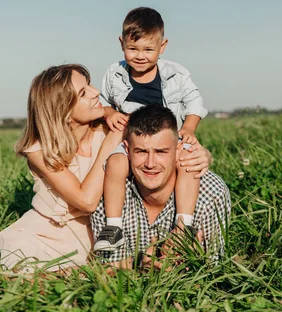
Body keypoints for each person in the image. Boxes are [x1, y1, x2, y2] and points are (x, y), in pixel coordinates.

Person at [94, 7, 209, 251]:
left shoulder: (176, 74)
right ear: (121, 42)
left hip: (169, 139)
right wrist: (110, 113)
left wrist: (188, 128)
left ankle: (183, 225)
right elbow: (103, 101)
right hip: (133, 142)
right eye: (132, 48)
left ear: (163, 46)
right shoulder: (114, 74)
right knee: (114, 164)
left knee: (188, 163)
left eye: (148, 49)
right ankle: (113, 227)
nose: (140, 56)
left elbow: (195, 103)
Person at [0, 64, 123, 272]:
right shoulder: (40, 151)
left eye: (89, 84)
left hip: (97, 232)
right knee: (33, 285)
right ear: (64, 111)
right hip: (46, 236)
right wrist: (111, 145)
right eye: (83, 93)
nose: (96, 92)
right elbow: (86, 201)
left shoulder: (107, 129)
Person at [91, 105, 231, 267]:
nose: (150, 164)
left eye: (161, 152)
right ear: (127, 150)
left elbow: (216, 270)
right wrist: (147, 275)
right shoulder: (108, 191)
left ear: (178, 150)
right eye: (141, 151)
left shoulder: (210, 193)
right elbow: (111, 273)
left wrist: (188, 269)